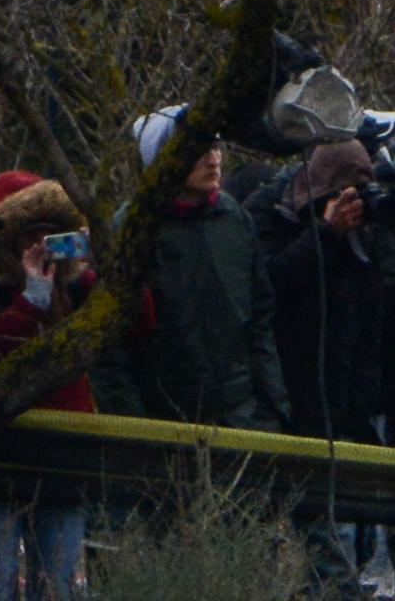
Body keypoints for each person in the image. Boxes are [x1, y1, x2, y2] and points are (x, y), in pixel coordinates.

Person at [0, 177, 103, 601]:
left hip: (64, 463)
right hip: (1, 463)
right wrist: (30, 301)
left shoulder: (81, 292)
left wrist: (110, 259)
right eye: (31, 237)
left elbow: (141, 323)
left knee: (61, 599)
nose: (43, 247)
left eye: (52, 236)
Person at [123, 127, 291, 441]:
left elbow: (260, 320)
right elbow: (115, 348)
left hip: (243, 416)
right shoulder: (134, 228)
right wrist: (132, 428)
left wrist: (273, 410)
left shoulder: (235, 218)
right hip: (166, 422)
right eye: (199, 151)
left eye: (215, 148)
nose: (213, 160)